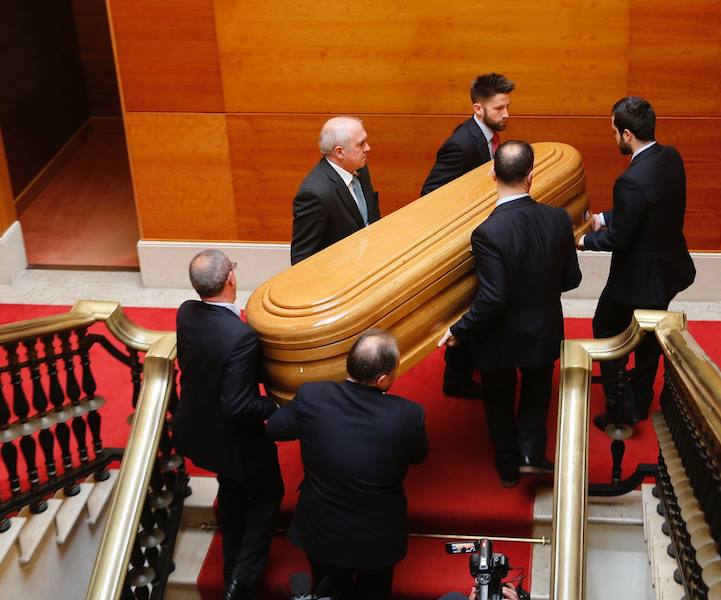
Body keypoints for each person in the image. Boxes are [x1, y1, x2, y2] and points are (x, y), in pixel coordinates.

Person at [438, 141, 582, 488]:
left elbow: (492, 297)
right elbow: (572, 279)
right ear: (531, 177)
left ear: (492, 174)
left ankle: (507, 464)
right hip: (543, 328)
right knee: (536, 390)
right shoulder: (559, 218)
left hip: (499, 335)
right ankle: (531, 453)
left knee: (499, 398)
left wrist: (460, 329)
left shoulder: (488, 232)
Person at [267, 329, 428, 600]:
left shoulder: (312, 396)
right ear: (382, 379)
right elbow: (418, 455)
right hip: (377, 539)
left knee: (330, 592)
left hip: (322, 531)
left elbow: (275, 429)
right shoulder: (408, 415)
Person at [577, 96, 696, 428]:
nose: (613, 137)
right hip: (667, 269)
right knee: (647, 337)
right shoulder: (670, 158)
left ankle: (619, 408)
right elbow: (649, 208)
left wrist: (586, 240)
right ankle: (641, 398)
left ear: (627, 134)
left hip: (636, 278)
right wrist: (605, 216)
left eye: (614, 131)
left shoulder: (629, 180)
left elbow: (620, 239)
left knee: (607, 328)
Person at [172, 249, 284, 600]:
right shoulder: (241, 337)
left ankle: (230, 571)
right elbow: (239, 405)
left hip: (201, 432)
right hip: (236, 440)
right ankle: (242, 579)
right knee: (268, 495)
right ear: (231, 278)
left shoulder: (186, 312)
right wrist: (276, 404)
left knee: (233, 494)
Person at [422, 73, 516, 400]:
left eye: (507, 106)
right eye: (499, 108)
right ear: (478, 108)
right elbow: (430, 194)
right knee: (472, 308)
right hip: (469, 240)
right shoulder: (461, 143)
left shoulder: (489, 137)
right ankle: (457, 380)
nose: (506, 114)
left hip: (486, 234)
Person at [291, 116, 380, 264]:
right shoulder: (315, 194)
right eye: (361, 144)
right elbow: (302, 259)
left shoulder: (361, 170)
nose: (368, 148)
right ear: (339, 152)